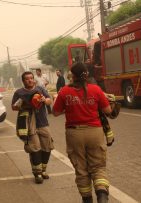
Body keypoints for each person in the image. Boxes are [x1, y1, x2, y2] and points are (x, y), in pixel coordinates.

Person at [52, 62, 112, 203]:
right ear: (86, 75)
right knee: (98, 167)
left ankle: (87, 199)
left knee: (81, 169)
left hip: (74, 134)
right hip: (95, 132)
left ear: (72, 76)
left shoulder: (65, 92)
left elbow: (55, 112)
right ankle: (102, 197)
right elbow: (108, 111)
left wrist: (61, 102)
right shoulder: (96, 90)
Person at [12, 71, 54, 184]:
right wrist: (24, 103)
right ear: (23, 81)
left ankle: (43, 170)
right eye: (27, 79)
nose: (30, 80)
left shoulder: (40, 89)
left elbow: (50, 100)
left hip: (43, 123)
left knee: (47, 147)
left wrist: (44, 100)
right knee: (35, 148)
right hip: (29, 124)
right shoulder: (19, 92)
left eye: (31, 78)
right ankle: (37, 173)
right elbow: (14, 107)